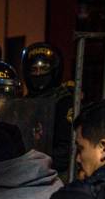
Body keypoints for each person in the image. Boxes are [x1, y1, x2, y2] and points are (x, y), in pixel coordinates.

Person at [21, 42, 74, 177]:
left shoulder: (64, 101)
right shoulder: (22, 103)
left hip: (55, 173)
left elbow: (65, 149)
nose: (38, 74)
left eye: (44, 69)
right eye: (34, 69)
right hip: (25, 169)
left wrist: (39, 164)